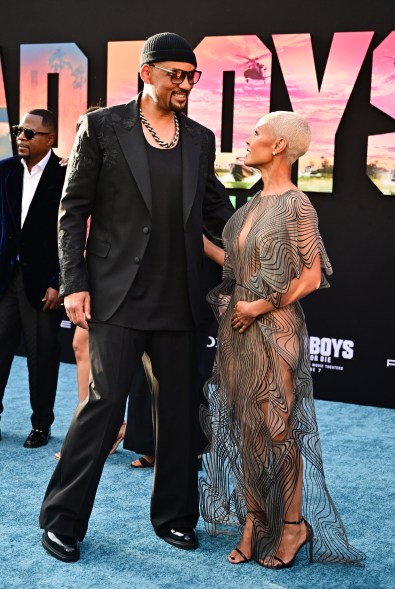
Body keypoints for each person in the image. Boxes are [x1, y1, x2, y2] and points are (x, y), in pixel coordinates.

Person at [39, 32, 233, 562]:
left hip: (181, 298)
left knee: (177, 413)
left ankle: (174, 516)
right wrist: (74, 283)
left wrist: (267, 230)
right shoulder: (103, 127)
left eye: (192, 76)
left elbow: (215, 207)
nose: (185, 84)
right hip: (117, 296)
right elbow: (72, 210)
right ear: (146, 73)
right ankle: (61, 519)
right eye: (175, 74)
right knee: (102, 409)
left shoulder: (199, 138)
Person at [200, 111, 365, 568]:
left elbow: (312, 276)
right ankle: (256, 520)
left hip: (274, 328)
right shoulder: (250, 206)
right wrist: (189, 236)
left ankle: (293, 526)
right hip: (237, 331)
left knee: (276, 429)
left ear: (277, 148)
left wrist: (259, 306)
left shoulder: (297, 205)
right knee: (244, 429)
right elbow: (229, 263)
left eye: (256, 134)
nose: (248, 141)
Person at [0, 109, 65, 447]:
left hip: (43, 284)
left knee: (42, 356)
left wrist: (58, 281)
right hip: (4, 278)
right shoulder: (6, 170)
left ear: (49, 139)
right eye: (19, 130)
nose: (21, 137)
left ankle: (41, 425)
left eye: (29, 132)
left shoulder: (65, 174)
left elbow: (69, 235)